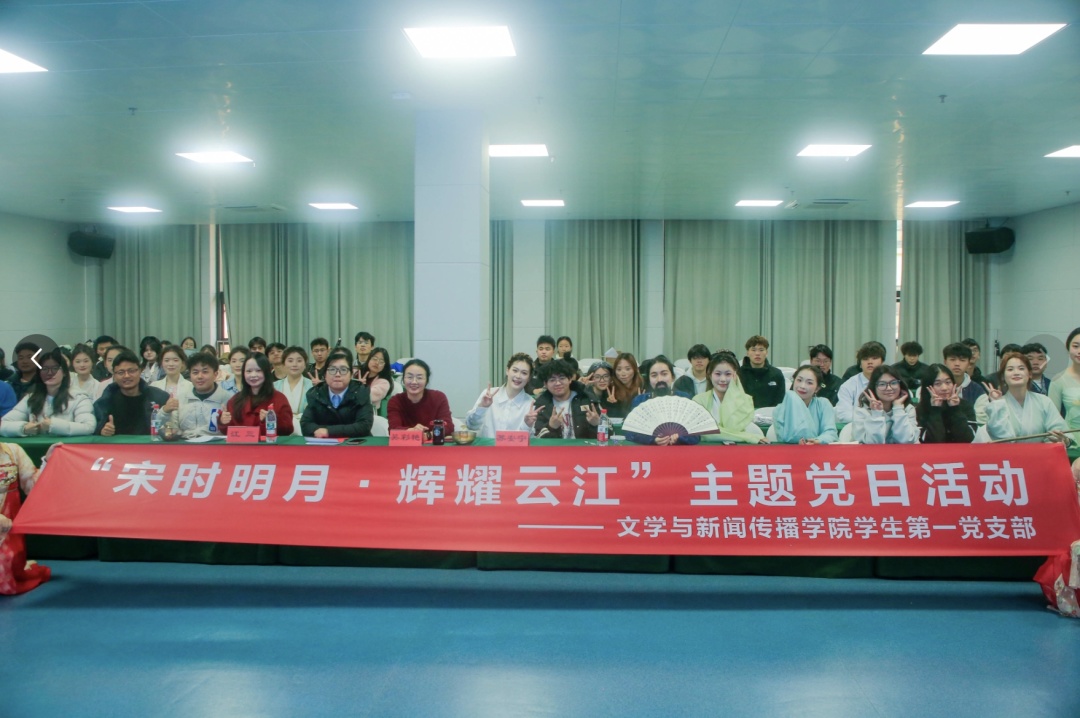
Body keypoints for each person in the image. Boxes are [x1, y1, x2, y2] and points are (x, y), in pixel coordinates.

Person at [981, 352, 1072, 446]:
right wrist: (997, 404)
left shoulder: (1044, 401)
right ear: (1003, 376)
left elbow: (1059, 431)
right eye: (1010, 369)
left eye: (1021, 368)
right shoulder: (998, 404)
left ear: (1030, 374)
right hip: (1008, 454)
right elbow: (998, 437)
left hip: (1040, 453)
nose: (1016, 373)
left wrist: (1061, 438)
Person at [1, 347, 95, 437]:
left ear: (65, 373)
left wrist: (54, 425)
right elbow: (3, 424)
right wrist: (23, 428)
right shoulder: (31, 398)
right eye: (45, 369)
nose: (50, 373)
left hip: (65, 447)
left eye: (55, 368)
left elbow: (88, 427)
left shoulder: (79, 398)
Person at [0, 441, 51, 594]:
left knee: (7, 579)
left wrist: (48, 462)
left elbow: (33, 487)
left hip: (7, 529)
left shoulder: (13, 451)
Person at [621, 356, 700, 446]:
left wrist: (680, 437)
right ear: (649, 379)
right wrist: (652, 439)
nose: (659, 379)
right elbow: (629, 432)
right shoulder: (640, 401)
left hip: (679, 451)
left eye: (664, 374)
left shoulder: (684, 399)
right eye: (654, 375)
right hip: (648, 452)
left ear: (673, 377)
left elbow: (696, 435)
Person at [92, 350, 172, 436]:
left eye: (131, 371)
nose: (127, 376)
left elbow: (169, 428)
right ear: (114, 375)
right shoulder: (106, 400)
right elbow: (95, 428)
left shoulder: (159, 397)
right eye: (121, 372)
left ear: (140, 371)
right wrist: (102, 430)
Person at [692, 351, 764, 444]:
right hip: (707, 449)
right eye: (718, 374)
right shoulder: (698, 401)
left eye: (728, 374)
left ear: (735, 375)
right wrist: (749, 437)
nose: (723, 379)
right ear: (709, 375)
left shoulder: (746, 400)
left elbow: (735, 429)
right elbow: (706, 433)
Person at [218, 352, 294, 438]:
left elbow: (288, 429)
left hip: (270, 445)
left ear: (267, 372)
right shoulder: (235, 400)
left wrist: (272, 420)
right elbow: (228, 432)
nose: (253, 375)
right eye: (249, 371)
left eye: (258, 370)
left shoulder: (279, 399)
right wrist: (223, 421)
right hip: (241, 445)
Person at [300, 350, 373, 438]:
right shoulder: (316, 394)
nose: (337, 374)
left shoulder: (361, 392)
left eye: (343, 370)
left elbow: (364, 426)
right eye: (332, 370)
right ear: (325, 374)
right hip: (323, 444)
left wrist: (329, 431)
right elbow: (305, 424)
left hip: (355, 444)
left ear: (351, 375)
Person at [465, 353, 538, 439]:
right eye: (515, 370)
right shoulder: (489, 394)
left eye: (524, 373)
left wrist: (527, 425)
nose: (518, 376)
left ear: (529, 378)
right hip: (488, 447)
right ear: (507, 371)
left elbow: (528, 440)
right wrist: (482, 408)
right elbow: (471, 426)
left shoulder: (530, 403)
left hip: (515, 448)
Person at [532, 359, 600, 440]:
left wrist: (596, 425)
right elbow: (538, 439)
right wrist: (551, 427)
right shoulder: (541, 405)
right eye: (552, 380)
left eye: (562, 378)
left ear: (570, 379)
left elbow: (608, 434)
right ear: (545, 384)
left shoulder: (587, 399)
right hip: (556, 448)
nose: (558, 383)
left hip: (583, 447)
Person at [851, 366, 918, 444]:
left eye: (893, 383)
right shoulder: (862, 410)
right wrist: (876, 414)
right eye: (882, 384)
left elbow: (906, 440)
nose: (889, 388)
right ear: (874, 387)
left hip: (901, 451)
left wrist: (898, 408)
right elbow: (872, 443)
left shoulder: (908, 409)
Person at [772, 365, 838, 445]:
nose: (802, 386)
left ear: (817, 388)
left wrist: (817, 440)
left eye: (809, 383)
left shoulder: (823, 404)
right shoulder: (779, 409)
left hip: (819, 450)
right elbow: (782, 438)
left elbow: (831, 433)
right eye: (799, 380)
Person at [387, 359, 454, 436]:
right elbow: (393, 429)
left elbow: (448, 427)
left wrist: (427, 435)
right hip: (406, 443)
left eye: (419, 378)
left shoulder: (438, 398)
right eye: (409, 377)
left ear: (427, 380)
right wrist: (413, 431)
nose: (414, 382)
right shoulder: (395, 401)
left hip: (432, 442)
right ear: (403, 379)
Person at [175, 352, 232, 439]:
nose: (200, 376)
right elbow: (171, 426)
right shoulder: (181, 398)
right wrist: (164, 412)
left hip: (216, 446)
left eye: (205, 372)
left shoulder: (228, 399)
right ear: (190, 375)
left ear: (215, 374)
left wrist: (190, 434)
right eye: (195, 372)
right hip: (185, 445)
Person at [916, 363, 975, 443]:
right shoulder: (921, 409)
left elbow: (967, 439)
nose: (944, 388)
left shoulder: (965, 406)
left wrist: (955, 409)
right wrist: (935, 410)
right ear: (928, 387)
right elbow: (934, 442)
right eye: (938, 384)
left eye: (948, 382)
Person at [835, 342, 887, 423]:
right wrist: (871, 421)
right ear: (860, 364)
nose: (870, 362)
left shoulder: (890, 383)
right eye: (865, 359)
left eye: (874, 358)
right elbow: (844, 415)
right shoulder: (848, 386)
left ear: (882, 362)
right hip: (858, 428)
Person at [738, 335, 785, 409]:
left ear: (766, 352)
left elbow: (780, 402)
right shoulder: (738, 374)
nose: (757, 353)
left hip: (771, 414)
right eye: (753, 350)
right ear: (747, 353)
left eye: (761, 350)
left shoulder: (777, 374)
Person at [274, 346, 313, 433]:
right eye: (290, 361)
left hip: (305, 429)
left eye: (299, 361)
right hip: (281, 429)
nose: (294, 364)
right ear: (284, 364)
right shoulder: (274, 386)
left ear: (305, 364)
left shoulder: (312, 386)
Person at [1048, 327, 1080, 431]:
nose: (1079, 351)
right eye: (1076, 346)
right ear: (1068, 348)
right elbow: (1052, 418)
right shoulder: (1058, 380)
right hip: (1072, 437)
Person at [355, 347, 395, 417]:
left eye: (381, 361)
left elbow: (369, 396)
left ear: (385, 366)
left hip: (368, 414)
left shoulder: (384, 383)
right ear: (369, 359)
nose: (377, 363)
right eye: (374, 359)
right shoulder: (357, 373)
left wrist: (361, 387)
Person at [608, 352, 644, 419]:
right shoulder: (610, 389)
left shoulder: (643, 386)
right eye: (619, 369)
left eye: (628, 369)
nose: (623, 374)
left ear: (635, 370)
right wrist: (612, 404)